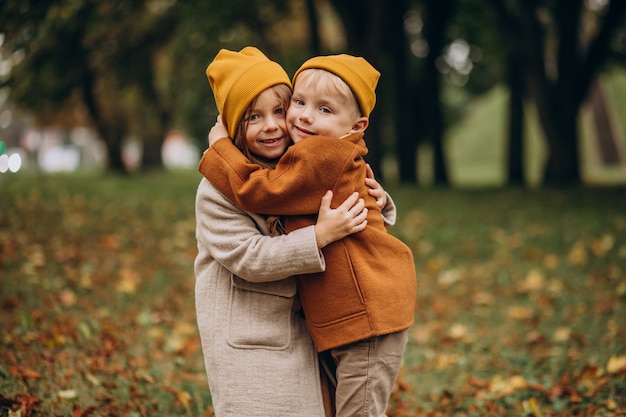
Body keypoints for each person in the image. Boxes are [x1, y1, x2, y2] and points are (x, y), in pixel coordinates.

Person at [200, 52, 417, 417]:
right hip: (271, 335)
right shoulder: (219, 191)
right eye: (254, 116)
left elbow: (265, 189)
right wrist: (320, 235)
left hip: (364, 316)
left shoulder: (312, 157)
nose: (277, 124)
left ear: (356, 124)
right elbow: (249, 249)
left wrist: (219, 149)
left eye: (279, 110)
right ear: (234, 124)